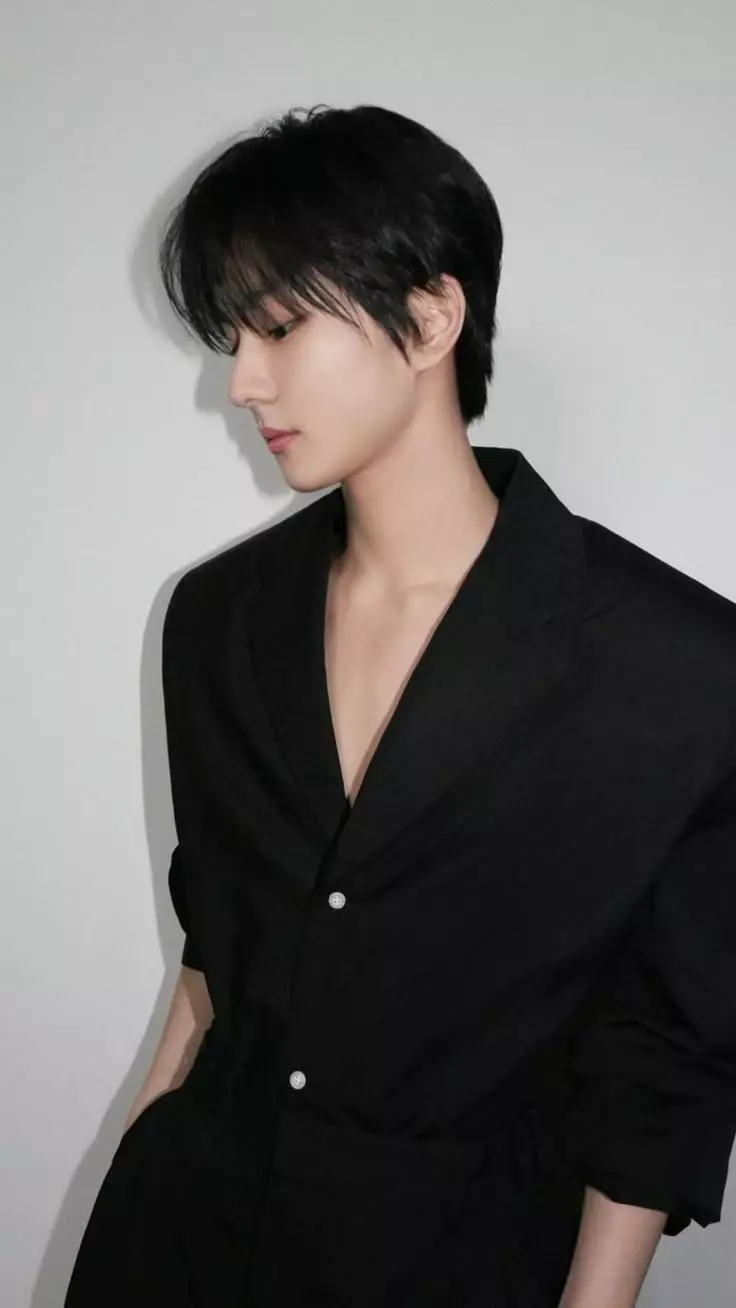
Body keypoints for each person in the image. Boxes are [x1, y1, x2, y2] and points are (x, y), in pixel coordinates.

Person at [64, 103, 736, 1308]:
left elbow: (662, 1067)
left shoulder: (674, 668)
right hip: (183, 1242)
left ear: (430, 319)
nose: (241, 382)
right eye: (232, 334)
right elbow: (216, 959)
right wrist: (132, 1172)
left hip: (456, 1262)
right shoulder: (216, 618)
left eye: (279, 326)